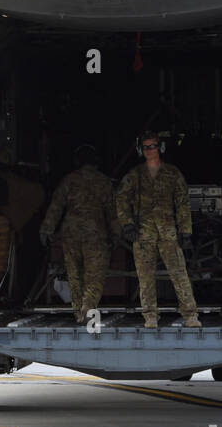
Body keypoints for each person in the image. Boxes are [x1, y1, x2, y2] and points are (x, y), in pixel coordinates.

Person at [116, 131, 201, 328]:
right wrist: (127, 224)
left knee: (179, 274)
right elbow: (121, 199)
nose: (150, 150)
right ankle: (150, 316)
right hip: (143, 234)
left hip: (168, 233)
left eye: (153, 146)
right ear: (141, 150)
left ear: (160, 147)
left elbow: (182, 202)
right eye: (146, 147)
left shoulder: (172, 173)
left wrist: (185, 230)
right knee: (145, 277)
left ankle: (190, 315)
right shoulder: (134, 175)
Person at [39, 144, 117, 324]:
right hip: (95, 235)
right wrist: (117, 235)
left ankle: (78, 314)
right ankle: (88, 311)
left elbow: (56, 206)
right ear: (96, 162)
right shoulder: (103, 182)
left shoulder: (69, 180)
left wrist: (46, 229)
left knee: (74, 275)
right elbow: (113, 212)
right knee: (94, 276)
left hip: (71, 235)